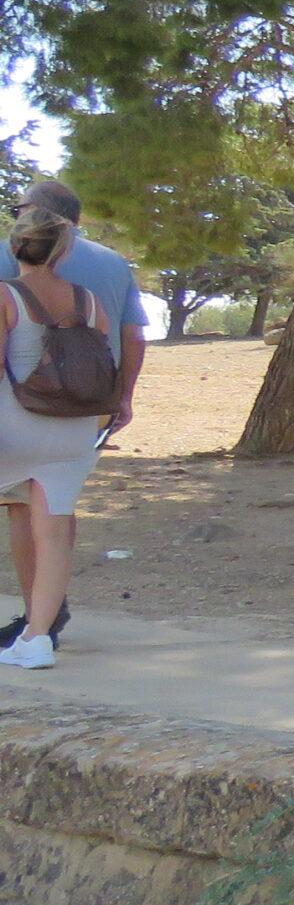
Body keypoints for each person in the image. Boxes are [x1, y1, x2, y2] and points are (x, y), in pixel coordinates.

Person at [0, 180, 145, 658]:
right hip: (81, 417)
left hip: (20, 415)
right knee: (56, 522)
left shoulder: (6, 267)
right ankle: (40, 632)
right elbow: (130, 338)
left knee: (21, 510)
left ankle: (35, 613)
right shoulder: (110, 267)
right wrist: (122, 399)